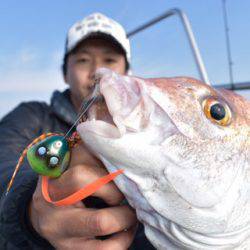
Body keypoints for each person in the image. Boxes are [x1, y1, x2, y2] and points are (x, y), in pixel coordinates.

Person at [0, 13, 155, 249]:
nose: (97, 71)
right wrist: (29, 207)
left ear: (127, 72)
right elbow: (4, 166)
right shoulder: (30, 116)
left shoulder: (149, 130)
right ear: (65, 72)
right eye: (83, 60)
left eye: (110, 60)